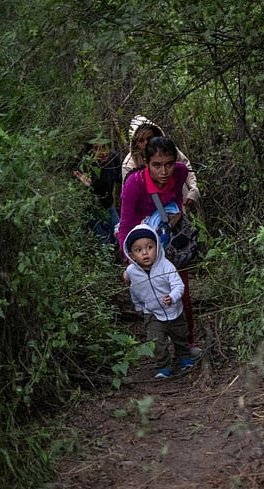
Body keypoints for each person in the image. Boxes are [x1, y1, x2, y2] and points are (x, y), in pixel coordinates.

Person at [118, 136, 200, 350]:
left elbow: (177, 198)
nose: (164, 172)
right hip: (145, 247)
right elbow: (125, 224)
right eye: (157, 165)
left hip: (171, 243)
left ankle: (187, 346)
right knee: (154, 299)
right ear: (146, 164)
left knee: (181, 291)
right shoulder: (134, 185)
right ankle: (161, 352)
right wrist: (130, 262)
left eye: (168, 164)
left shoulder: (181, 172)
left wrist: (175, 215)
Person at [123, 223, 194, 378]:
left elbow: (178, 285)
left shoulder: (166, 266)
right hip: (152, 313)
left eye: (149, 247)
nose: (145, 253)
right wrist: (138, 307)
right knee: (156, 342)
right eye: (138, 250)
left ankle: (184, 358)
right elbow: (134, 289)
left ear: (157, 246)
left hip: (173, 310)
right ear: (131, 255)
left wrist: (173, 297)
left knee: (180, 336)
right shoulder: (132, 272)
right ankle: (163, 366)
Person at [121, 115, 200, 210]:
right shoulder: (129, 164)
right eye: (141, 140)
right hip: (149, 209)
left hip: (177, 197)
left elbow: (186, 167)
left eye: (149, 138)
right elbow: (128, 195)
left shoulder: (168, 151)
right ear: (136, 144)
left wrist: (193, 189)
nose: (146, 143)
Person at [73, 134, 122, 244]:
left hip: (108, 205)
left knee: (120, 235)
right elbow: (75, 191)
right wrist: (84, 185)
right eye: (97, 148)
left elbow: (120, 177)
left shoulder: (113, 158)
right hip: (92, 209)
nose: (102, 152)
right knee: (103, 240)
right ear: (91, 151)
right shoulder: (85, 165)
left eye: (104, 147)